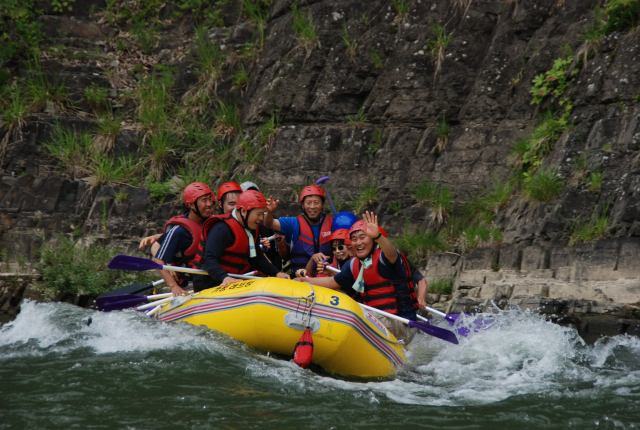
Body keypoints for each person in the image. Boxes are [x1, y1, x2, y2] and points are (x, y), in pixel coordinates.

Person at [295, 212, 420, 344]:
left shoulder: (385, 258)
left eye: (362, 237)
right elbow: (332, 282)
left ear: (373, 240)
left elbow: (391, 252)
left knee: (353, 312)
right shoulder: (353, 264)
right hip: (378, 321)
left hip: (399, 324)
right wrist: (304, 280)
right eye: (354, 239)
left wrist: (378, 236)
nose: (358, 242)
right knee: (336, 293)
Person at [191, 190, 290, 291]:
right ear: (243, 211)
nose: (261, 218)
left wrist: (277, 273)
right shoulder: (222, 229)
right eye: (259, 214)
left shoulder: (251, 228)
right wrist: (225, 278)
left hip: (233, 281)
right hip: (210, 283)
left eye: (263, 213)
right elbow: (209, 259)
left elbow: (257, 258)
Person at [150, 182, 214, 296]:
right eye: (204, 200)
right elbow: (159, 260)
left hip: (215, 279)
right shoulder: (178, 231)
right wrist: (173, 286)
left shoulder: (214, 224)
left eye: (210, 199)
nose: (209, 204)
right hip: (190, 285)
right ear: (191, 205)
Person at [264, 185, 333, 274]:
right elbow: (269, 223)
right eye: (308, 203)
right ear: (302, 205)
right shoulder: (293, 223)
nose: (312, 207)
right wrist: (270, 212)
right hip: (300, 279)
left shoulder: (332, 223)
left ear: (323, 204)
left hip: (325, 278)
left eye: (316, 203)